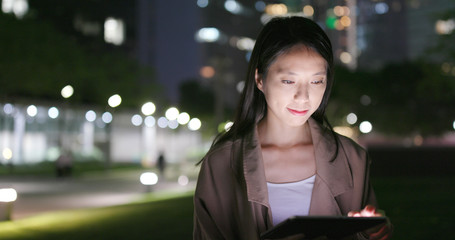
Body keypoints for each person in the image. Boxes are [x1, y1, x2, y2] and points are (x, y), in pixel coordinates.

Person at [193, 16, 392, 240]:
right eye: (288, 81)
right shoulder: (223, 163)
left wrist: (373, 232)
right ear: (260, 79)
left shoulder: (351, 157)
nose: (303, 97)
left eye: (316, 81)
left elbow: (367, 230)